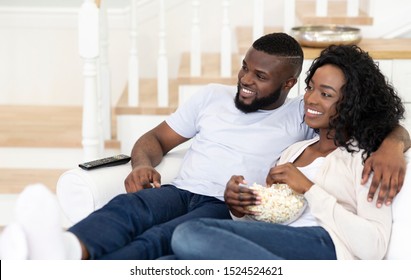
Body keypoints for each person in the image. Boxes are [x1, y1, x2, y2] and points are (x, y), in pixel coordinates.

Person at [0, 34, 408, 260]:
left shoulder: (302, 116)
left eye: (261, 76)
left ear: (286, 86)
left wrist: (392, 145)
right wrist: (140, 166)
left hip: (220, 206)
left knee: (169, 238)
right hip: (183, 190)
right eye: (245, 67)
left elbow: (370, 121)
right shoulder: (211, 99)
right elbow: (155, 140)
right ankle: (65, 250)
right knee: (128, 209)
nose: (246, 80)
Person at [170, 44, 405, 260]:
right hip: (280, 243)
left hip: (325, 245)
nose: (310, 99)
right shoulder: (294, 151)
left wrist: (308, 188)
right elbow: (278, 219)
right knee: (169, 260)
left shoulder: (366, 159)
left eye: (326, 94)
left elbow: (374, 247)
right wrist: (241, 209)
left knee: (189, 234)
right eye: (310, 88)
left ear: (353, 103)